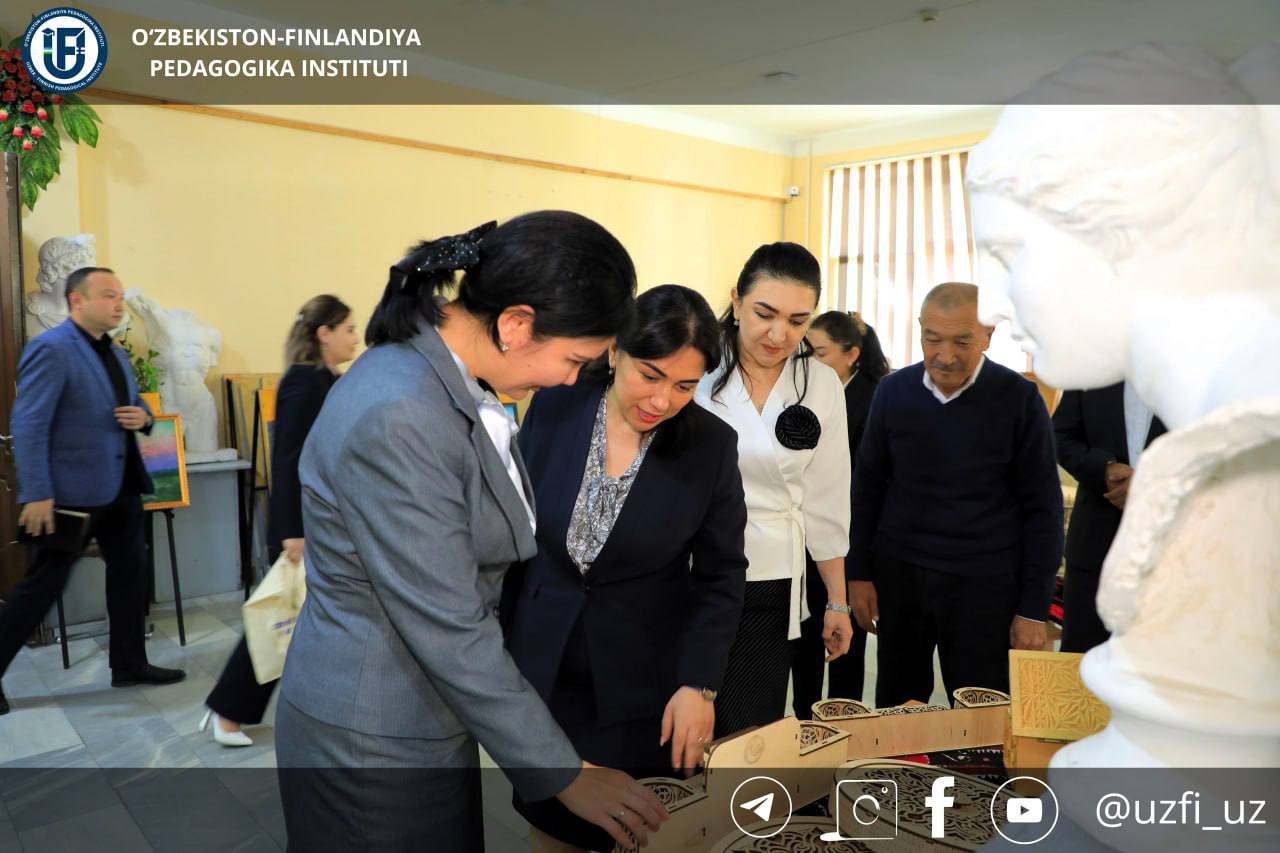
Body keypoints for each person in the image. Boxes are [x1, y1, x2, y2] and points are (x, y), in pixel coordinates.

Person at [274, 213, 667, 852]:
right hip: (374, 734)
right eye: (573, 359)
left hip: (422, 714)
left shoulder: (436, 380)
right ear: (516, 325)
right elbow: (448, 622)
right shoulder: (403, 413)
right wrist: (563, 772)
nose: (570, 380)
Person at [504, 284, 748, 852]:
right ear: (614, 352)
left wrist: (698, 683)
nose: (662, 400)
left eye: (685, 386)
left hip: (640, 683)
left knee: (634, 830)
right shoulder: (556, 405)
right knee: (553, 829)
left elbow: (721, 576)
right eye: (651, 374)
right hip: (546, 670)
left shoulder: (709, 446)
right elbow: (520, 535)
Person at [849, 282, 1062, 707]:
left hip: (985, 585)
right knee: (897, 706)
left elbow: (1042, 508)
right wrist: (858, 573)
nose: (945, 356)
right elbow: (867, 488)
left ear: (987, 336)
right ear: (920, 331)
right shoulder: (893, 392)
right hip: (901, 577)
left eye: (962, 341)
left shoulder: (1019, 400)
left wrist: (1033, 608)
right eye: (932, 339)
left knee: (982, 711)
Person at [0, 267, 185, 716]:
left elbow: (136, 404)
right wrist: (37, 492)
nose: (119, 303)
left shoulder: (114, 352)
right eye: (108, 295)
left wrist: (142, 418)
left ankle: (128, 664)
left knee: (130, 574)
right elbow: (28, 423)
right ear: (77, 301)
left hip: (120, 487)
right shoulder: (51, 349)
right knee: (43, 586)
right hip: (70, 494)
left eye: (121, 295)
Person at [695, 242, 853, 738]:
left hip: (772, 580)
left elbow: (827, 498)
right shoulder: (696, 368)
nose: (779, 333)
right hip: (690, 573)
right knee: (681, 730)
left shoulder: (820, 383)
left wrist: (837, 600)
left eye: (798, 320)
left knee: (747, 732)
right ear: (736, 300)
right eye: (765, 313)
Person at [199, 295, 359, 746]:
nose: (354, 337)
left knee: (301, 619)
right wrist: (293, 530)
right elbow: (288, 460)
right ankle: (227, 710)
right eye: (347, 329)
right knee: (281, 617)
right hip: (303, 528)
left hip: (323, 523)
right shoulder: (304, 383)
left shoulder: (330, 381)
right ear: (323, 333)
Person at [790, 311, 889, 716]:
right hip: (802, 533)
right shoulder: (803, 387)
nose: (809, 360)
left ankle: (844, 719)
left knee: (845, 637)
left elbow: (865, 483)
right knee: (804, 637)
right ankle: (804, 718)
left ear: (852, 355)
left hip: (850, 537)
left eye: (820, 352)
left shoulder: (875, 396)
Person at [1052, 384, 1167, 654]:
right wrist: (1103, 469)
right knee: (1080, 669)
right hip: (1094, 549)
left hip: (1173, 553)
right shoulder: (1092, 371)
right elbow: (1060, 435)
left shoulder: (1203, 370)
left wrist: (1153, 484)